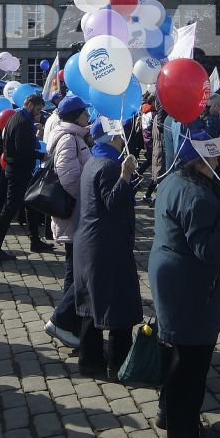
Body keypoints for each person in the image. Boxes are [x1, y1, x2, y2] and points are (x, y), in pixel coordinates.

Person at [147, 126, 220, 438]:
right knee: (191, 361)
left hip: (170, 276)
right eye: (215, 157)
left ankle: (167, 413)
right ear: (202, 161)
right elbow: (209, 250)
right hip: (189, 285)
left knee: (174, 351)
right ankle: (184, 431)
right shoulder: (198, 195)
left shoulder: (173, 180)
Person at [71, 119, 143, 377]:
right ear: (111, 139)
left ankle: (89, 361)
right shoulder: (110, 166)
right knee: (118, 305)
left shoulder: (93, 161)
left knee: (92, 305)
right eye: (119, 137)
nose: (123, 141)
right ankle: (119, 362)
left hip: (90, 243)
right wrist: (125, 176)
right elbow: (112, 202)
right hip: (106, 245)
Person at [41, 95, 93, 344]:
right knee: (78, 273)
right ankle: (61, 321)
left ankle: (71, 325)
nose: (88, 116)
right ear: (76, 115)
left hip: (76, 213)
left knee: (74, 271)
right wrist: (88, 199)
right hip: (75, 212)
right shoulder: (68, 139)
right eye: (84, 112)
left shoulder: (76, 136)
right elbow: (70, 178)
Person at [0, 93, 46, 260]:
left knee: (31, 204)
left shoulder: (19, 117)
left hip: (20, 170)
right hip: (18, 171)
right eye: (38, 108)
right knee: (9, 210)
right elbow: (23, 150)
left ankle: (35, 240)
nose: (39, 112)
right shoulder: (22, 121)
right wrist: (41, 156)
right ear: (29, 104)